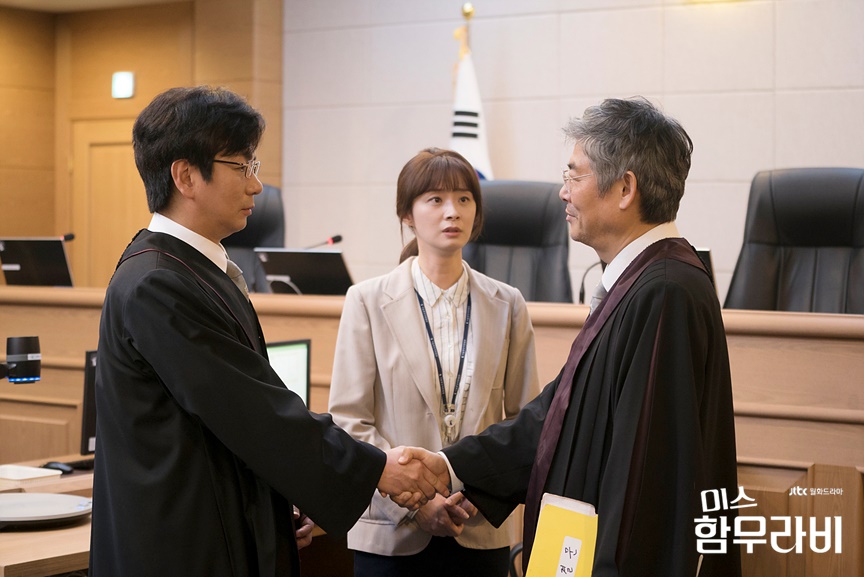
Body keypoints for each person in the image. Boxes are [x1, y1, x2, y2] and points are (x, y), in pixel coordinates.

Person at [90, 86, 448, 577]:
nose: (256, 186)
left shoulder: (192, 269)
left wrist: (281, 498)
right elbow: (254, 412)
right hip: (181, 546)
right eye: (242, 167)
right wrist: (375, 468)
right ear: (186, 176)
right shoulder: (157, 283)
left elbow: (238, 421)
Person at [402, 97, 742, 576]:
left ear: (624, 188)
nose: (563, 192)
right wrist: (451, 466)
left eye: (573, 175)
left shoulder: (664, 291)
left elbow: (644, 480)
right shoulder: (639, 283)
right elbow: (559, 411)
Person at [328, 147, 540, 577]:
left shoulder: (508, 304)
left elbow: (525, 420)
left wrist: (476, 491)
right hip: (392, 535)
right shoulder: (366, 301)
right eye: (435, 199)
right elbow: (349, 420)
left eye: (464, 199)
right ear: (407, 214)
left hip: (479, 526)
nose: (452, 211)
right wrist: (414, 504)